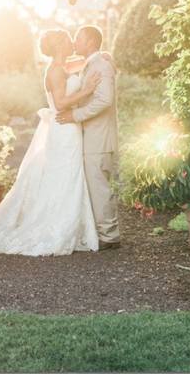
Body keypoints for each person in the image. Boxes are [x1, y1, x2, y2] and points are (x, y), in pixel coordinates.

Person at [0, 28, 102, 255]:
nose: (71, 40)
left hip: (67, 128)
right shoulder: (54, 71)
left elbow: (82, 64)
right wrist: (88, 91)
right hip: (65, 128)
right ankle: (56, 227)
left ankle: (70, 224)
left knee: (66, 175)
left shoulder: (61, 67)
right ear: (59, 45)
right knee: (66, 175)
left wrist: (104, 56)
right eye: (66, 38)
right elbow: (62, 103)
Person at [56, 25, 121, 249]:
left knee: (100, 189)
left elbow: (104, 100)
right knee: (96, 187)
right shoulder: (93, 62)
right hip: (91, 137)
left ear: (91, 42)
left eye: (78, 38)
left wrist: (76, 115)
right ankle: (103, 233)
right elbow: (61, 62)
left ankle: (109, 237)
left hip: (99, 138)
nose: (74, 42)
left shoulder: (100, 65)